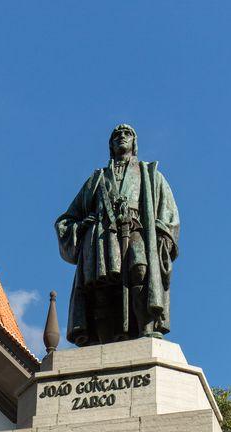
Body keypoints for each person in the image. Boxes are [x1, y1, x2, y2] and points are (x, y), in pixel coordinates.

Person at [56, 123, 179, 344]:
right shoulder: (97, 179)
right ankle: (103, 339)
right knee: (101, 285)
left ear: (134, 142)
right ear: (110, 145)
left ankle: (146, 327)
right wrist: (83, 226)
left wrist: (163, 234)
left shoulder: (149, 174)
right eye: (116, 135)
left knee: (140, 270)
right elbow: (67, 219)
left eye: (127, 133)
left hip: (136, 230)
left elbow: (169, 215)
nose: (121, 136)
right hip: (102, 236)